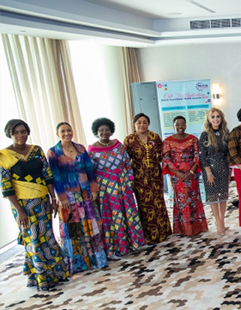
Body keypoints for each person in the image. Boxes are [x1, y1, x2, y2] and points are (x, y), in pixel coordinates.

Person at [0, 119, 69, 291]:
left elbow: (47, 175)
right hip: (23, 205)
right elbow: (6, 187)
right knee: (33, 239)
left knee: (48, 237)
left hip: (43, 202)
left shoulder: (36, 150)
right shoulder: (5, 156)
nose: (20, 135)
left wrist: (53, 199)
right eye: (16, 132)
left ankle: (57, 274)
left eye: (23, 131)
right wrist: (19, 211)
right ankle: (40, 278)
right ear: (10, 134)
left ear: (28, 132)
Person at [47, 122, 108, 273]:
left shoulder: (80, 148)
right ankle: (78, 263)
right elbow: (55, 177)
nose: (67, 133)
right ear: (57, 134)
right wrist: (62, 198)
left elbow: (90, 170)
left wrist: (94, 189)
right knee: (73, 230)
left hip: (86, 193)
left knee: (91, 226)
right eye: (63, 131)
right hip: (68, 196)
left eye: (69, 130)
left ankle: (96, 259)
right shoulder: (53, 152)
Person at [88, 117, 145, 258]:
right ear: (96, 132)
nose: (104, 133)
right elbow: (91, 172)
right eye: (101, 130)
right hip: (106, 189)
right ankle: (116, 247)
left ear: (111, 131)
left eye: (107, 130)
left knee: (129, 212)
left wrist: (130, 180)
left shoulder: (119, 146)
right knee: (113, 216)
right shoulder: (91, 150)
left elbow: (127, 163)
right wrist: (94, 190)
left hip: (123, 185)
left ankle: (134, 243)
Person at [124, 113, 172, 244]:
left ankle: (163, 231)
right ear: (134, 124)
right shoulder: (129, 140)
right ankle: (148, 235)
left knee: (158, 202)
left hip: (155, 176)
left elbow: (162, 153)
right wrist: (130, 179)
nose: (142, 125)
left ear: (148, 124)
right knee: (145, 205)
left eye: (144, 122)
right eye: (139, 122)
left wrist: (157, 159)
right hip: (140, 178)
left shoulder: (154, 136)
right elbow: (125, 160)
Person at [162, 116, 208, 236]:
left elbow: (198, 156)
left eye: (182, 124)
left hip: (191, 174)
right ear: (173, 126)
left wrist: (191, 172)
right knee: (181, 201)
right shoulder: (167, 141)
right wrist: (179, 174)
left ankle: (196, 227)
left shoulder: (193, 139)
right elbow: (166, 160)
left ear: (186, 125)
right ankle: (183, 229)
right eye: (177, 124)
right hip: (177, 177)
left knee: (194, 199)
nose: (180, 127)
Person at [199, 108, 230, 235]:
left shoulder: (225, 133)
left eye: (218, 116)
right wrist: (208, 173)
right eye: (213, 117)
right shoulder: (205, 135)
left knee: (223, 195)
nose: (216, 119)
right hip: (210, 169)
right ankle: (217, 221)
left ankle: (222, 220)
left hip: (223, 167)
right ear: (208, 119)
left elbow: (229, 152)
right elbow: (202, 155)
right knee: (213, 196)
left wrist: (230, 169)